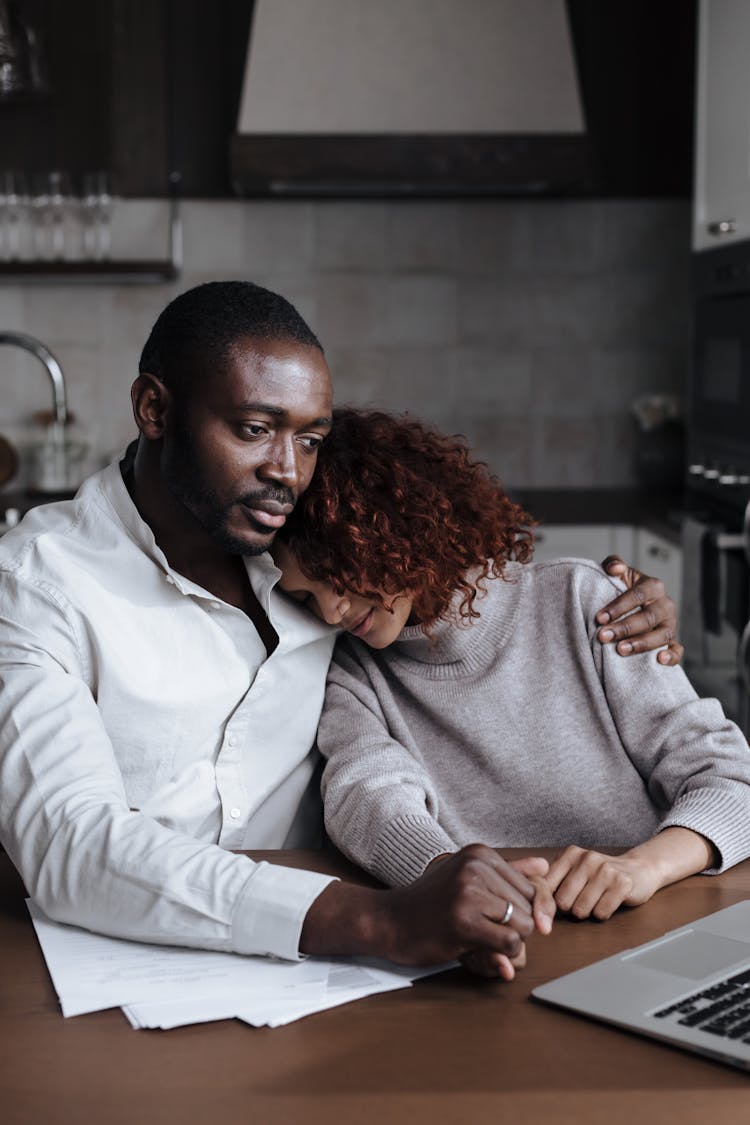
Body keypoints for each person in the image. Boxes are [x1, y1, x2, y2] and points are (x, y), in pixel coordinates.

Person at [0, 282, 682, 981]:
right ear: (155, 409)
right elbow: (72, 843)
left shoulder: (315, 561)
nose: (287, 472)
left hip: (333, 976)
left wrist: (610, 604)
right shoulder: (35, 581)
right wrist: (383, 919)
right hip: (113, 961)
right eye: (254, 428)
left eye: (310, 439)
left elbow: (463, 601)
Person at [274, 407, 750, 920]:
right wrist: (447, 880)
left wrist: (641, 869)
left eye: (339, 575)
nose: (329, 611)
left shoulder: (584, 601)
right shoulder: (352, 668)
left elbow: (729, 777)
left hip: (648, 914)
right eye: (305, 598)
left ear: (396, 533)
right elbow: (365, 795)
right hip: (494, 933)